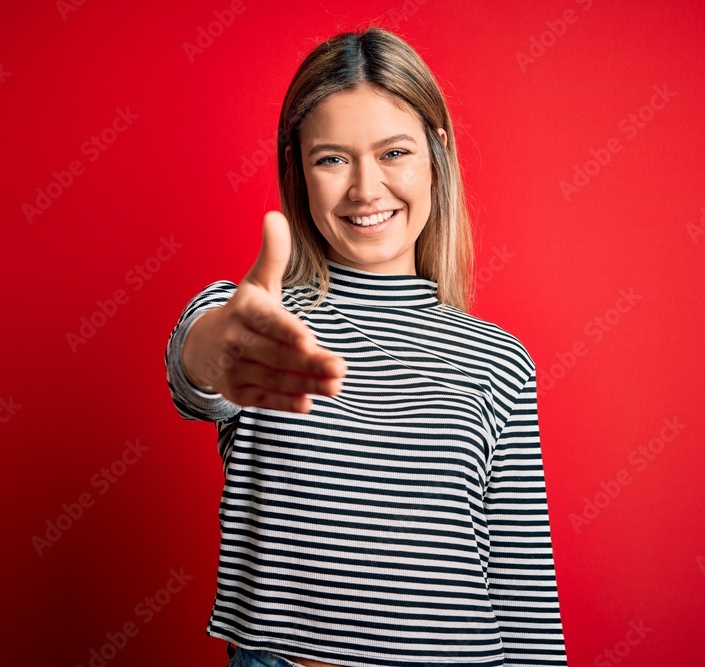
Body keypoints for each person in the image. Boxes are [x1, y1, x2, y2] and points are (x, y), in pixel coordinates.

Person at [165, 27, 568, 667]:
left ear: (436, 154)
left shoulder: (499, 359)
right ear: (297, 170)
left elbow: (523, 591)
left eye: (394, 152)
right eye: (332, 159)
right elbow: (197, 374)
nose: (365, 189)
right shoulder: (259, 317)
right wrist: (213, 351)